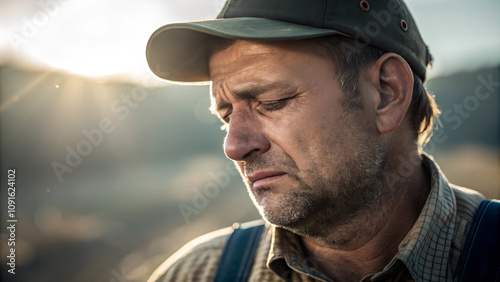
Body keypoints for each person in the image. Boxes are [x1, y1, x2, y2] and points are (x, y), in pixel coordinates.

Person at [145, 0, 498, 281]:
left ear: (386, 93)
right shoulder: (196, 273)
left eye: (271, 102)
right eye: (225, 116)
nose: (235, 146)